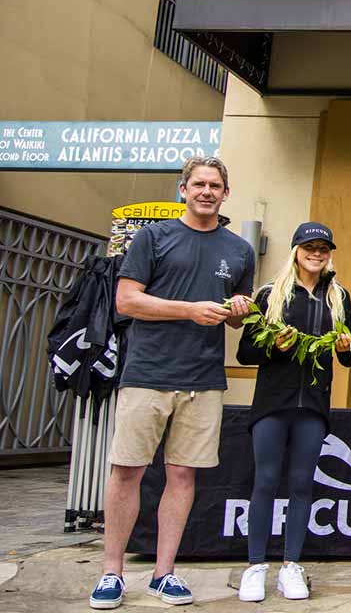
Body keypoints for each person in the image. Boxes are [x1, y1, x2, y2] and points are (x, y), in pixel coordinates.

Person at [90, 157, 255, 610]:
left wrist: (239, 310)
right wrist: (189, 309)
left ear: (225, 194)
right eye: (199, 184)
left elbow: (237, 320)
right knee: (128, 471)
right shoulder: (154, 236)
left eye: (215, 185)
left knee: (183, 476)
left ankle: (165, 574)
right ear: (183, 189)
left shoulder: (239, 250)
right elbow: (127, 300)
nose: (207, 191)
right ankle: (111, 573)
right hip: (148, 373)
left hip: (203, 379)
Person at [234, 222, 351, 602]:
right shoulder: (270, 294)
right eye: (309, 247)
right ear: (296, 250)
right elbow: (245, 353)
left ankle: (291, 566)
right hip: (273, 403)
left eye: (323, 248)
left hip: (313, 406)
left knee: (303, 484)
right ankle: (255, 567)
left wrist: (348, 344)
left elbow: (347, 357)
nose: (316, 254)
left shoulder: (339, 297)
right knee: (266, 481)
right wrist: (276, 348)